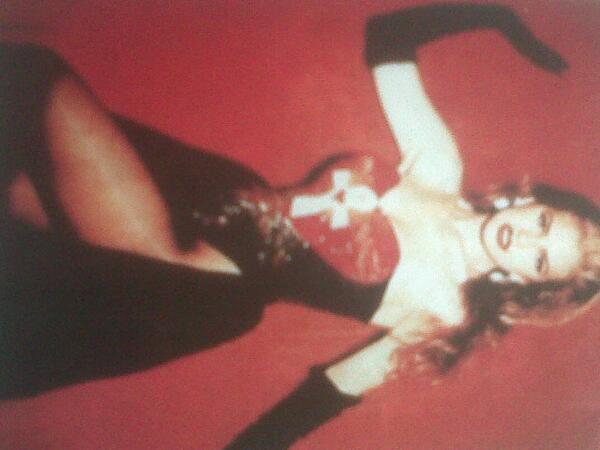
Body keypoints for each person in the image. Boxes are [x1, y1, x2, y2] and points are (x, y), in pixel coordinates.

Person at [1, 3, 598, 448]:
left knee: (33, 82)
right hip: (199, 188)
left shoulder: (443, 310)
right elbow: (389, 37)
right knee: (21, 193)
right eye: (544, 222)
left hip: (206, 280)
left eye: (540, 257)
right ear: (529, 200)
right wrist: (502, 17)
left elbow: (330, 392)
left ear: (526, 282)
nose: (526, 237)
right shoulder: (439, 166)